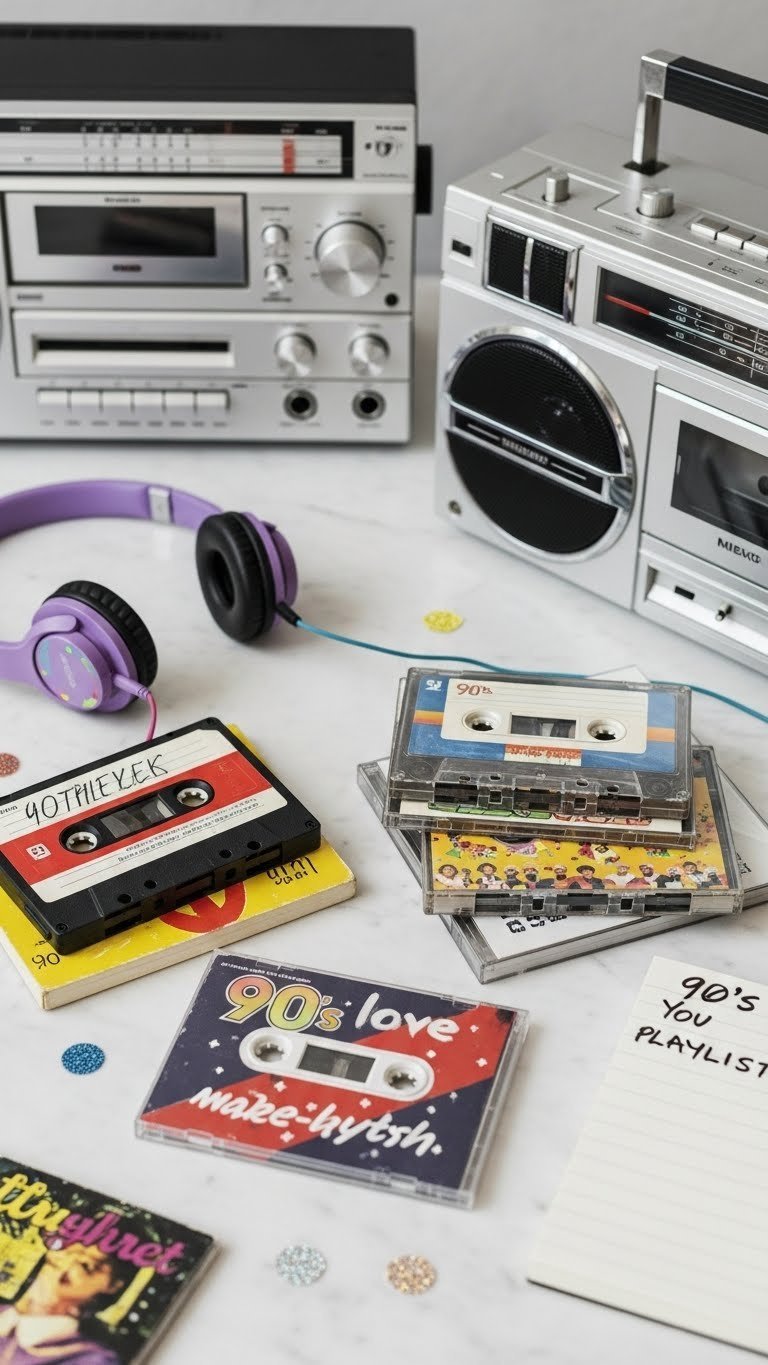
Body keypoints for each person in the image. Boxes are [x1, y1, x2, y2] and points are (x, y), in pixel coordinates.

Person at [0, 1242, 125, 1364]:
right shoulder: (6, 1316)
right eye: (65, 1252)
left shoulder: (92, 1358)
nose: (67, 1263)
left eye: (87, 1266)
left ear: (111, 1286)